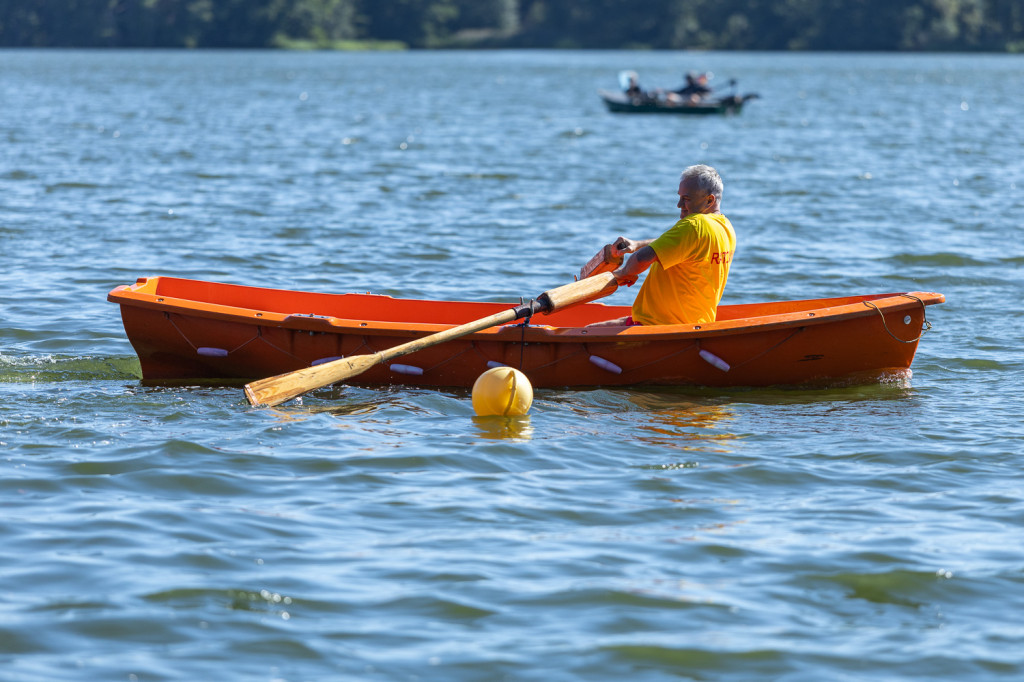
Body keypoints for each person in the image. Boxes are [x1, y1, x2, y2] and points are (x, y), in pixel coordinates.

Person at [590, 165, 735, 327]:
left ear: (709, 200)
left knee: (586, 334)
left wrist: (623, 273)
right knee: (592, 329)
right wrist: (637, 244)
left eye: (686, 199)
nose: (679, 204)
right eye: (679, 197)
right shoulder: (725, 228)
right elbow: (678, 245)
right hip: (696, 325)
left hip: (657, 325)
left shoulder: (694, 225)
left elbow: (641, 259)